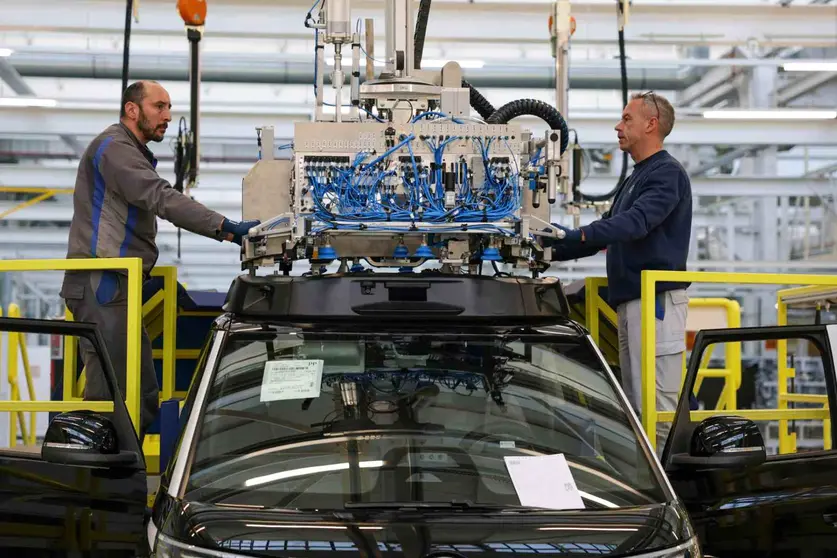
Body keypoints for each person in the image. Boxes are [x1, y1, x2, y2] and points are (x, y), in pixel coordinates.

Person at [60, 80, 260, 441]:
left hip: (117, 284)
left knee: (138, 394)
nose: (167, 116)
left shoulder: (127, 151)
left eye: (169, 108)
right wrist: (224, 226)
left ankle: (119, 464)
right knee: (113, 393)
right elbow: (159, 197)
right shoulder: (113, 148)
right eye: (159, 107)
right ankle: (100, 467)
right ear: (132, 109)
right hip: (101, 281)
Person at [545, 91, 692, 447]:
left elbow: (635, 223)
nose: (618, 126)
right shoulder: (637, 177)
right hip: (632, 301)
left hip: (655, 302)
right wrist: (546, 249)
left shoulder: (667, 173)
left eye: (627, 119)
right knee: (637, 407)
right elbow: (603, 235)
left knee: (656, 409)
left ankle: (667, 479)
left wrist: (578, 233)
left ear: (651, 124)